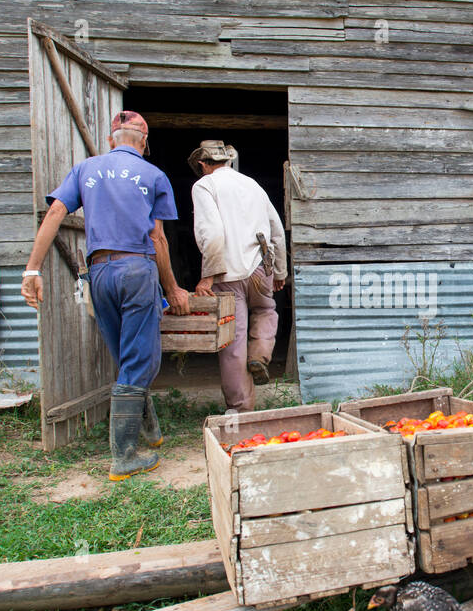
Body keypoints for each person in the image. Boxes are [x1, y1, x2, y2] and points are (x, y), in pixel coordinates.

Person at [22, 110, 191, 480]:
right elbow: (157, 238)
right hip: (136, 270)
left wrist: (33, 269)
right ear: (144, 143)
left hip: (98, 272)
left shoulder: (86, 169)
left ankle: (149, 429)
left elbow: (54, 212)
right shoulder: (154, 175)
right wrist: (172, 287)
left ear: (112, 138)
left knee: (124, 356)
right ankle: (125, 457)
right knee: (141, 360)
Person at [189, 140, 287, 412]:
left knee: (232, 341)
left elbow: (213, 232)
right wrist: (279, 271)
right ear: (228, 160)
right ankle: (259, 355)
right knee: (266, 310)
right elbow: (276, 230)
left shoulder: (204, 186)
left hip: (227, 274)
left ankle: (241, 409)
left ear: (202, 163)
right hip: (261, 268)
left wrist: (207, 276)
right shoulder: (252, 184)